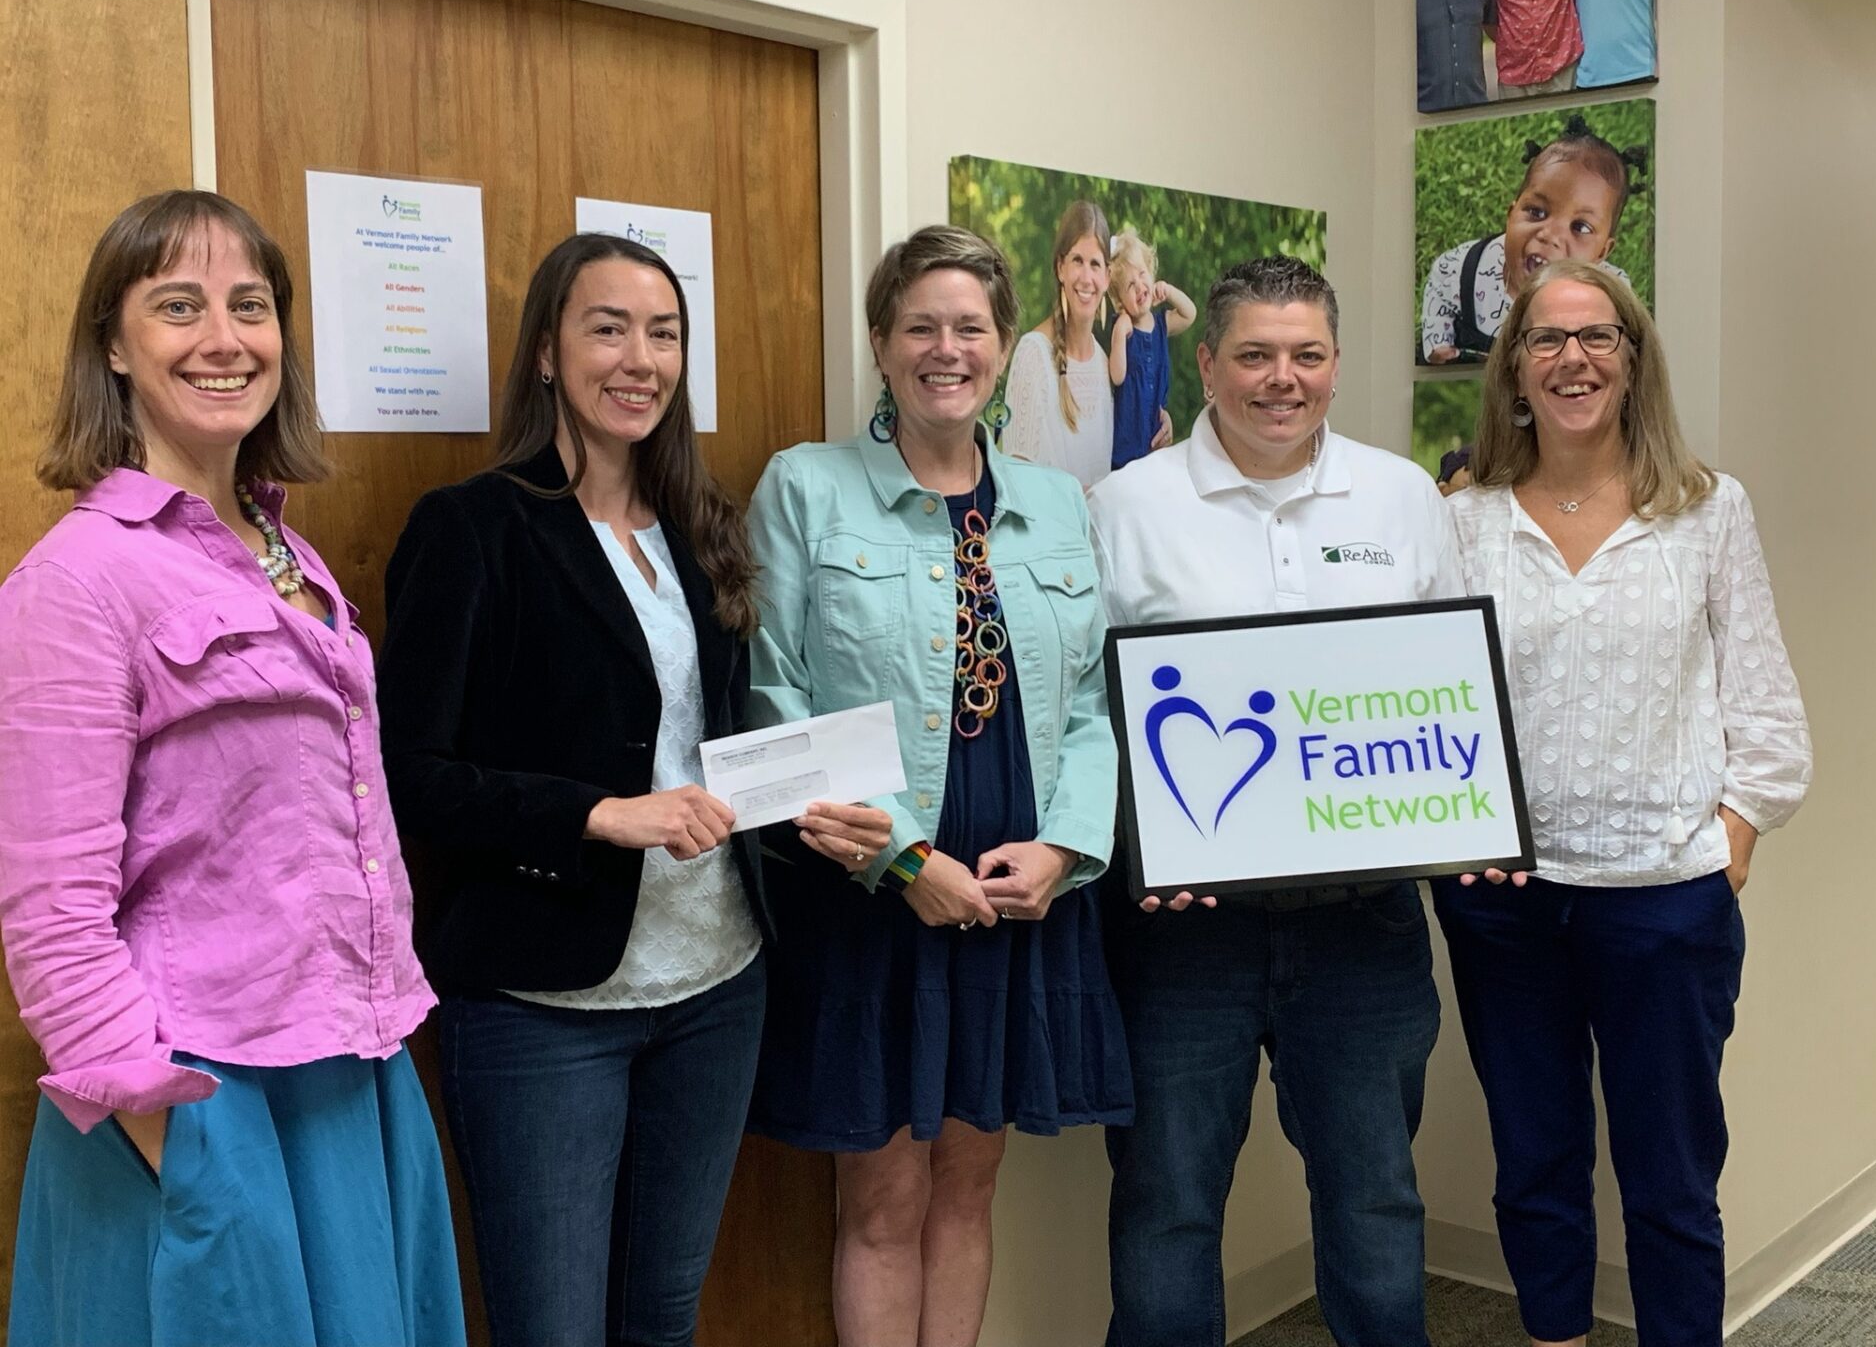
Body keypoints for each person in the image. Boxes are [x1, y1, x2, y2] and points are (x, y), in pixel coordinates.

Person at [0, 190, 462, 1346]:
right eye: (178, 306)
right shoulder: (76, 579)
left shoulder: (286, 551)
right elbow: (52, 916)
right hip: (201, 1102)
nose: (224, 338)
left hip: (351, 1077)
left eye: (250, 306)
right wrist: (186, 1147)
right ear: (113, 345)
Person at [377, 234, 780, 1347]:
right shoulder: (473, 528)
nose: (640, 359)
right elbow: (406, 777)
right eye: (608, 329)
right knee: (551, 1329)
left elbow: (713, 744)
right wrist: (596, 815)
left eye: (664, 334)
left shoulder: (700, 525)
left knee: (663, 1320)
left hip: (718, 986)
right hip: (543, 1006)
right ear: (548, 353)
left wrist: (806, 808)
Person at [748, 224, 1131, 1347]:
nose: (946, 349)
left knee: (970, 1183)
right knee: (882, 1201)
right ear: (880, 342)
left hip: (1018, 895)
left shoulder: (1057, 504)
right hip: (876, 892)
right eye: (920, 326)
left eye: (970, 327)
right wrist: (904, 861)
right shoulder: (806, 489)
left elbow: (1090, 706)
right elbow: (773, 699)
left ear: (1004, 345)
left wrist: (1066, 850)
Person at [1089, 255, 1463, 1347]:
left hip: (1364, 926)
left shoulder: (1402, 496)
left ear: (1337, 365)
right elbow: (1082, 711)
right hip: (1180, 933)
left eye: (1306, 355)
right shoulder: (1124, 507)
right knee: (1163, 1212)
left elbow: (1447, 685)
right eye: (1254, 355)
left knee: (1376, 1207)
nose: (1281, 379)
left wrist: (1467, 812)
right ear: (1207, 364)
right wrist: (1135, 843)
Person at [1436, 261, 1810, 1347]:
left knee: (1671, 1180)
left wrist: (1730, 841)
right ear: (1514, 369)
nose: (1574, 360)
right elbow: (1420, 706)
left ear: (1634, 361)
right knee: (1536, 1163)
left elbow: (1766, 711)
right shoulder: (1463, 523)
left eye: (1597, 337)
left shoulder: (1706, 511)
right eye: (1547, 340)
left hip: (1664, 902)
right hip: (1505, 903)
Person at [1421, 113, 1646, 364]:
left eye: (1580, 227)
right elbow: (1440, 288)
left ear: (1602, 252)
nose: (1550, 236)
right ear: (1511, 215)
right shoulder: (1464, 269)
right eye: (1537, 212)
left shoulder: (1610, 294)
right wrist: (1438, 342)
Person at [1003, 200, 1117, 488]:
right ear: (1060, 268)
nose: (1086, 278)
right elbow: (1020, 481)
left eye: (1095, 264)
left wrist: (1159, 423)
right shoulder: (1033, 354)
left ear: (1107, 277)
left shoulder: (1105, 363)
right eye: (1077, 260)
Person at [1105, 229, 1192, 472]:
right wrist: (1119, 334)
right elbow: (1117, 376)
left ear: (1152, 274)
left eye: (1142, 274)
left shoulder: (1162, 323)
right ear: (1120, 301)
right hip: (1126, 443)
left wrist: (1169, 291)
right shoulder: (1124, 329)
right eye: (1130, 285)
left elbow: (1190, 314)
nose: (1139, 286)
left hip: (1155, 439)